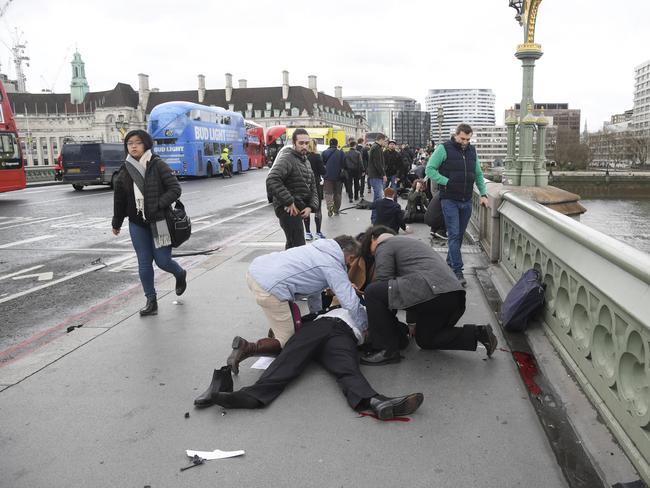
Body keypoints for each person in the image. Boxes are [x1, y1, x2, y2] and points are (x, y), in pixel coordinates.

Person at [204, 308, 423, 420]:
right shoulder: (336, 306)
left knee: (346, 369)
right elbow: (295, 324)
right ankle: (251, 396)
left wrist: (406, 331)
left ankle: (376, 401)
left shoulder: (376, 311)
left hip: (344, 335)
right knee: (290, 358)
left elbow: (399, 336)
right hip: (325, 327)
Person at [226, 235, 367, 374]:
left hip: (256, 271)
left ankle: (277, 328)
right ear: (350, 256)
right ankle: (247, 347)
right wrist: (364, 327)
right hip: (271, 287)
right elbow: (350, 302)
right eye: (351, 261)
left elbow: (314, 291)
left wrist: (317, 317)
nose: (350, 265)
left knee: (285, 317)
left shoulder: (319, 249)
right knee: (289, 343)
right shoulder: (332, 264)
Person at [359, 231, 498, 365]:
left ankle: (386, 351)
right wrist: (411, 323)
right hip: (451, 295)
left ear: (373, 238)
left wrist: (382, 329)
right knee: (426, 339)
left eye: (372, 254)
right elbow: (407, 287)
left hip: (434, 291)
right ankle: (479, 333)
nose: (375, 257)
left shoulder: (384, 245)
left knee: (373, 292)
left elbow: (385, 285)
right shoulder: (406, 245)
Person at [112, 129, 187, 316]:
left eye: (137, 142)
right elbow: (119, 199)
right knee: (144, 263)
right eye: (130, 143)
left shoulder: (157, 164)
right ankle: (151, 301)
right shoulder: (124, 169)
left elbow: (175, 189)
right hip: (137, 223)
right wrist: (117, 222)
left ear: (146, 144)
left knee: (162, 261)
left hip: (159, 221)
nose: (134, 146)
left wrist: (158, 204)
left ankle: (180, 274)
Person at [425, 123, 489, 287]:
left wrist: (483, 194)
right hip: (449, 199)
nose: (465, 142)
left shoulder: (472, 151)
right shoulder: (443, 149)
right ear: (456, 135)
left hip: (466, 200)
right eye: (462, 138)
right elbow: (430, 170)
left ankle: (449, 261)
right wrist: (447, 182)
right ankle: (457, 271)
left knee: (459, 235)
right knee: (453, 234)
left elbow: (478, 174)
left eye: (468, 139)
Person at [266, 128, 319, 249]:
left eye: (307, 143)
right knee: (298, 246)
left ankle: (286, 267)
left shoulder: (306, 161)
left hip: (299, 207)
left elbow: (313, 187)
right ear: (294, 143)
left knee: (293, 246)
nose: (304, 146)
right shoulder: (287, 158)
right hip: (288, 209)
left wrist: (311, 206)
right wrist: (288, 201)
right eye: (301, 143)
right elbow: (272, 179)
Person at [303, 140, 326, 240]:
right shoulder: (317, 157)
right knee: (317, 208)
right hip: (315, 184)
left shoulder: (303, 157)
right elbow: (323, 171)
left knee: (306, 208)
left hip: (304, 185)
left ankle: (307, 232)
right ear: (315, 146)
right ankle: (318, 232)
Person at [321, 138, 346, 216]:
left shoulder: (324, 153)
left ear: (329, 144)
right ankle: (336, 209)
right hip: (338, 177)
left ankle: (329, 207)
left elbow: (322, 164)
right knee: (338, 193)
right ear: (337, 144)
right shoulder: (341, 153)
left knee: (328, 193)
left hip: (327, 176)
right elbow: (344, 165)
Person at [367, 134, 387, 224]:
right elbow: (377, 163)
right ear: (381, 140)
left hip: (374, 175)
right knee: (378, 197)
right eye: (385, 141)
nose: (385, 143)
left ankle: (375, 218)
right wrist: (383, 174)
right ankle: (375, 219)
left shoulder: (375, 147)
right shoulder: (376, 148)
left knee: (377, 197)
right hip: (376, 176)